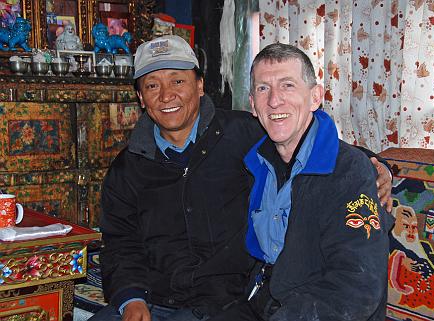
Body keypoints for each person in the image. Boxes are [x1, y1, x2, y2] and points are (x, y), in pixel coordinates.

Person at [89, 35, 392, 321]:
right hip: (154, 297)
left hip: (223, 301)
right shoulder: (126, 168)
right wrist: (131, 298)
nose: (167, 95)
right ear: (141, 97)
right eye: (152, 85)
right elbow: (119, 242)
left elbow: (313, 143)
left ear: (200, 85)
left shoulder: (244, 136)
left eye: (178, 81)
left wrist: (376, 165)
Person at [209, 43, 395, 321]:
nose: (274, 100)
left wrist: (381, 170)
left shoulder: (350, 172)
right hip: (261, 300)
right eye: (263, 88)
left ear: (315, 97)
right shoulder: (254, 158)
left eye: (287, 85)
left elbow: (356, 286)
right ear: (252, 105)